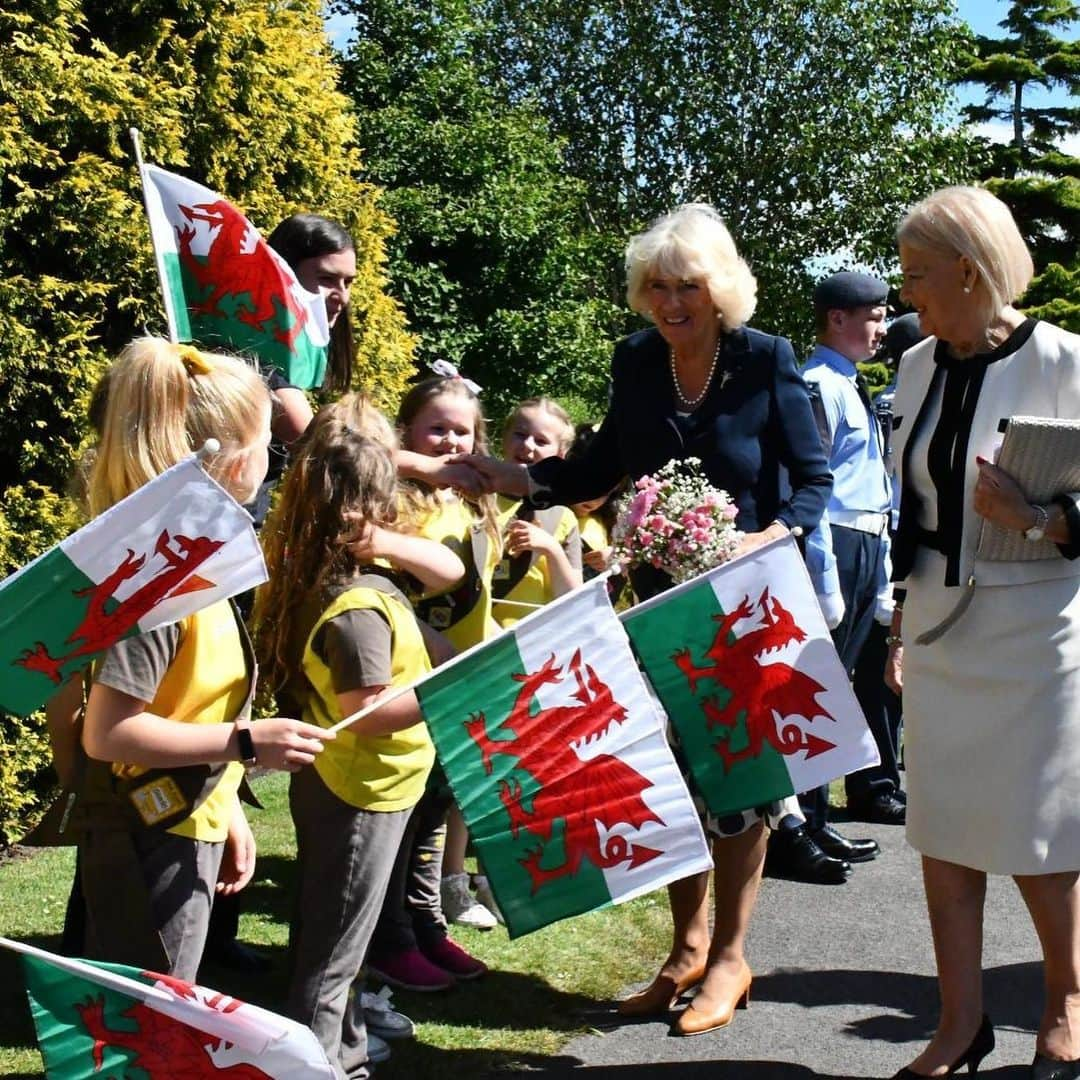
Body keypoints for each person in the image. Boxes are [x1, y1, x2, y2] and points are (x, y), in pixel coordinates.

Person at [462, 203, 833, 1036]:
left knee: (743, 781)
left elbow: (814, 481)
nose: (671, 302)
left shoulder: (766, 359)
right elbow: (599, 466)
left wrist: (767, 535)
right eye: (657, 286)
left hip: (749, 599)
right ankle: (685, 950)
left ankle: (733, 957)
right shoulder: (635, 360)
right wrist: (506, 477)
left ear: (720, 288)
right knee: (672, 777)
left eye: (688, 286)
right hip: (658, 597)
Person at [887, 185, 1080, 1080]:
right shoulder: (916, 365)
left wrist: (1037, 516)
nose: (907, 293)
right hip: (936, 626)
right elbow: (909, 505)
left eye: (918, 276)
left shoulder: (1068, 361)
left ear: (970, 271)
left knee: (1041, 834)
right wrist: (896, 616)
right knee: (944, 823)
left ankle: (1064, 1006)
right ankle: (960, 1023)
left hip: (1037, 629)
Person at [76, 337, 333, 981]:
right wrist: (249, 742)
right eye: (267, 441)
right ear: (226, 458)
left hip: (182, 823)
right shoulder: (156, 584)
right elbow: (108, 732)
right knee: (146, 1029)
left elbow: (183, 705)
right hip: (147, 838)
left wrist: (227, 811)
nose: (273, 459)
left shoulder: (192, 567)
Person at [255, 405, 460, 1080]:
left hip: (363, 786)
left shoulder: (354, 585)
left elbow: (439, 603)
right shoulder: (358, 610)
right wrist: (448, 690)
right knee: (335, 949)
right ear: (370, 505)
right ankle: (318, 1062)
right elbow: (368, 713)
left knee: (340, 932)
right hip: (357, 790)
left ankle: (341, 1048)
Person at [366, 374, 500, 986]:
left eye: (463, 431)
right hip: (412, 678)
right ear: (407, 435)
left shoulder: (473, 506)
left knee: (435, 812)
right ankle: (389, 938)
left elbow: (480, 596)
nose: (451, 441)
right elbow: (384, 593)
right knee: (405, 814)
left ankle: (424, 925)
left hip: (462, 681)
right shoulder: (395, 502)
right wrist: (421, 467)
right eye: (436, 429)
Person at [847, 312, 926, 822]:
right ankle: (875, 783)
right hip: (896, 534)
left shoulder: (889, 399)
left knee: (887, 664)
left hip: (893, 533)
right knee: (882, 666)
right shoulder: (901, 401)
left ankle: (879, 778)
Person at [492, 396, 583, 629]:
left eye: (541, 441)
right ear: (504, 437)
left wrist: (551, 548)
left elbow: (574, 599)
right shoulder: (473, 495)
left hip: (527, 642)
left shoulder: (561, 515)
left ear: (560, 454)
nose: (528, 445)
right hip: (467, 636)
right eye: (520, 435)